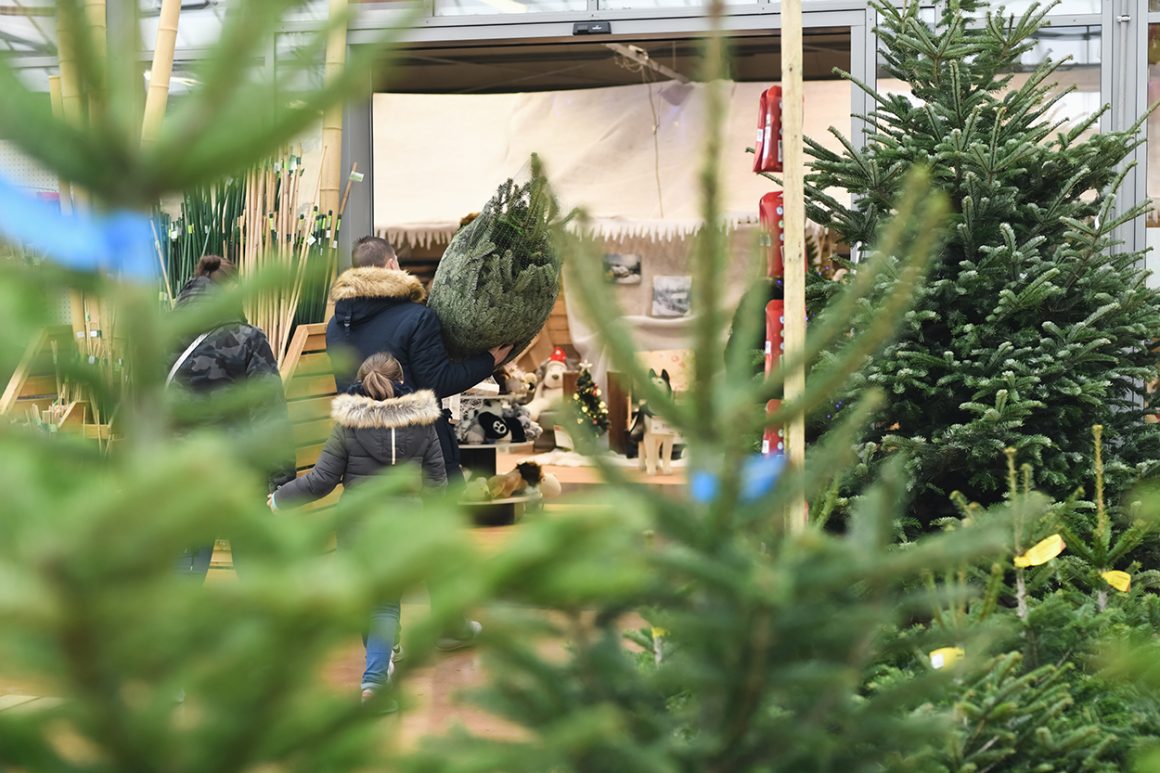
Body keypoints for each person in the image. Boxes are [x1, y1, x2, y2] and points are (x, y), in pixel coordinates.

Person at [268, 353, 446, 705]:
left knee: (373, 600)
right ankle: (375, 681)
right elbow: (437, 485)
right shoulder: (423, 424)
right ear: (401, 380)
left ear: (362, 382)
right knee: (384, 602)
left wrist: (278, 500)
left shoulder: (349, 426)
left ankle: (381, 663)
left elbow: (321, 481)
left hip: (356, 525)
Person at [326, 236, 513, 481]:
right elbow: (439, 381)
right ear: (392, 265)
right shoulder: (417, 318)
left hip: (359, 450)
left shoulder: (336, 325)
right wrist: (488, 360)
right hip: (416, 450)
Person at [168, 254, 294, 581]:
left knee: (185, 569)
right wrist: (283, 484)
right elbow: (269, 414)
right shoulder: (247, 339)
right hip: (240, 472)